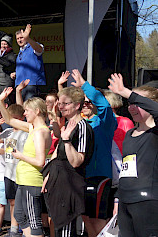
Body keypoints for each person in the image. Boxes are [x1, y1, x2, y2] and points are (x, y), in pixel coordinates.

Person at [108, 73, 158, 237]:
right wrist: (118, 198)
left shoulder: (155, 132)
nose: (132, 107)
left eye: (137, 103)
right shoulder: (129, 134)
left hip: (147, 202)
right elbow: (126, 169)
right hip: (125, 201)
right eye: (130, 104)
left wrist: (125, 92)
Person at [69, 69, 117, 237]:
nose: (86, 104)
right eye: (84, 102)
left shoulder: (105, 123)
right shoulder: (80, 124)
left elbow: (104, 106)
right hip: (81, 177)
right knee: (86, 218)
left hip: (98, 177)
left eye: (90, 102)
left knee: (97, 219)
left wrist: (84, 86)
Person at [42, 86, 95, 237]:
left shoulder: (83, 127)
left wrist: (67, 141)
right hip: (58, 182)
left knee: (66, 229)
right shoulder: (67, 125)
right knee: (57, 228)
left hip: (70, 186)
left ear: (77, 105)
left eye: (65, 103)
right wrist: (49, 175)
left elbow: (77, 161)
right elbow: (58, 155)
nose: (60, 106)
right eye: (60, 103)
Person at [0, 87, 51, 237]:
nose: (24, 113)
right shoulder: (32, 127)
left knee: (34, 221)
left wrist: (20, 156)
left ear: (38, 111)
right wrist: (2, 101)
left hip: (31, 181)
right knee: (20, 215)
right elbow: (8, 120)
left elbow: (40, 161)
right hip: (23, 180)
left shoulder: (41, 131)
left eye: (27, 110)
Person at [0, 104, 29, 237]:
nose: (13, 122)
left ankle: (25, 230)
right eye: (11, 119)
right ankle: (13, 230)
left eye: (16, 119)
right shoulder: (9, 132)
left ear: (22, 118)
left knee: (23, 204)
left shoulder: (27, 132)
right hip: (9, 173)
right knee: (12, 202)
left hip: (22, 173)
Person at [14, 24, 46, 101]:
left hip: (32, 84)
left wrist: (28, 38)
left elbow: (40, 50)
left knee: (30, 108)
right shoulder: (20, 52)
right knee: (21, 109)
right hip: (20, 84)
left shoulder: (33, 46)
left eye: (21, 37)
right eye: (17, 38)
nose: (20, 40)